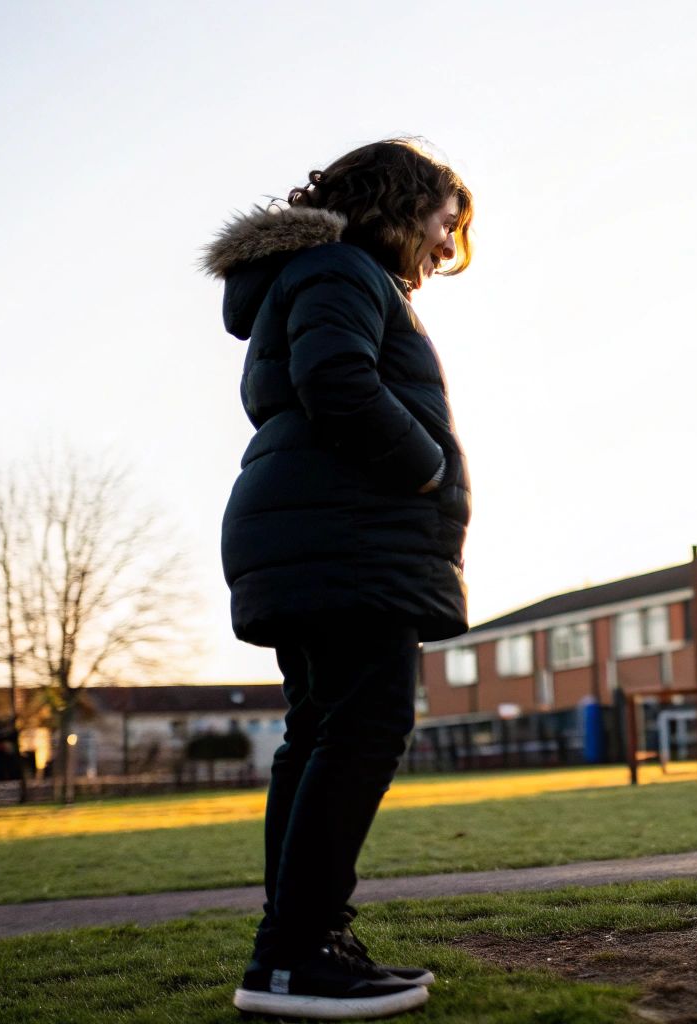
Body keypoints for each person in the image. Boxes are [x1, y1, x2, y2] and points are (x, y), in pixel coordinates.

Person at [203, 138, 475, 1019]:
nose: (446, 247)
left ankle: (297, 948)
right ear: (401, 205)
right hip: (341, 538)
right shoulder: (344, 269)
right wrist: (428, 464)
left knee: (320, 734)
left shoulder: (328, 272)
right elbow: (337, 382)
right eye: (443, 222)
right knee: (363, 729)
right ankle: (295, 955)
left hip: (315, 535)